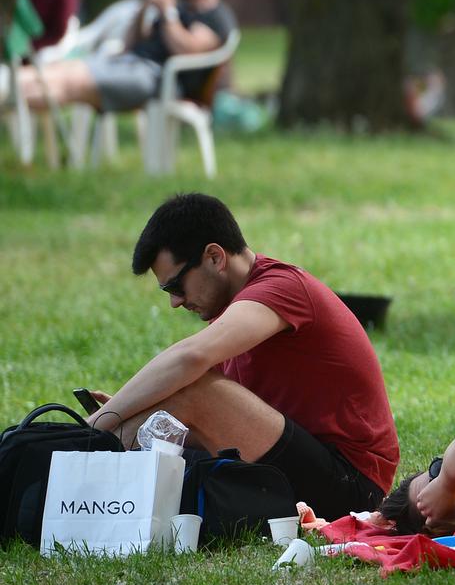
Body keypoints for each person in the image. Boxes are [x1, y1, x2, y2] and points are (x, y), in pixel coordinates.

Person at [84, 194, 399, 518]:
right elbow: (220, 422)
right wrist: (150, 418)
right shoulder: (234, 313)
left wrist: (99, 424)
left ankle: (75, 454)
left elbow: (191, 361)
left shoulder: (281, 288)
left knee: (196, 388)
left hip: (350, 487)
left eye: (176, 286)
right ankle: (68, 475)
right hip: (290, 465)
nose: (175, 303)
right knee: (160, 450)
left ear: (215, 257)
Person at [13, 0, 236, 114]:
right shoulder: (179, 4)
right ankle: (8, 88)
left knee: (70, 82)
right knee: (55, 71)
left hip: (156, 79)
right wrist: (143, 11)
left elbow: (186, 49)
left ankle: (7, 98)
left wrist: (168, 13)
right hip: (128, 62)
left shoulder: (215, 18)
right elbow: (131, 43)